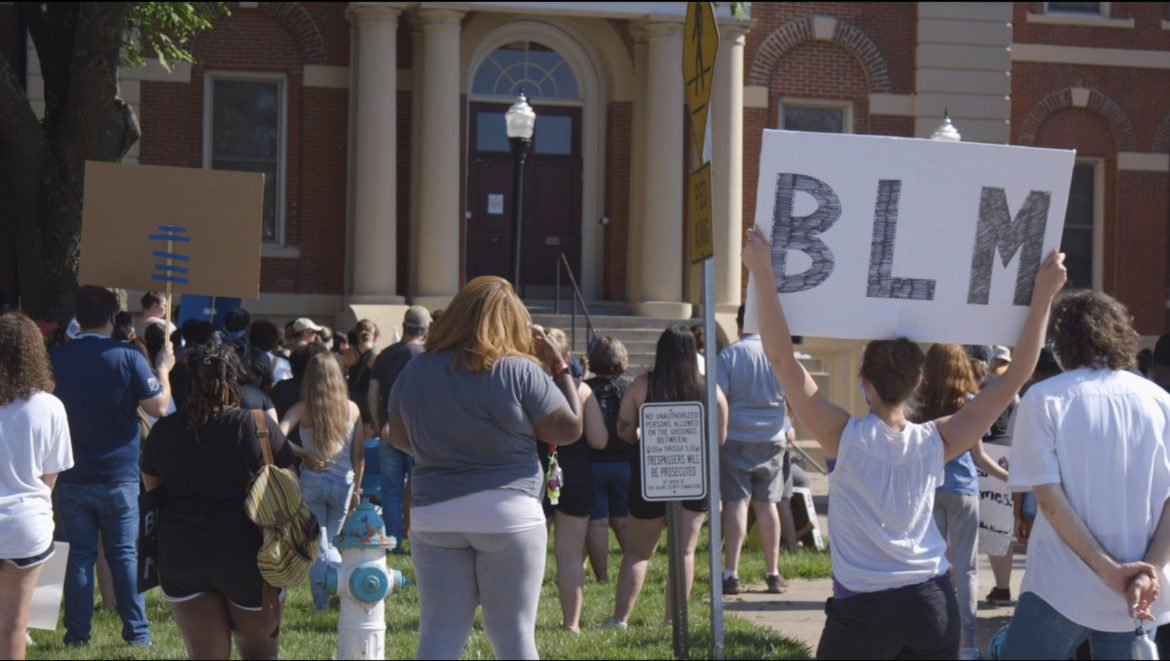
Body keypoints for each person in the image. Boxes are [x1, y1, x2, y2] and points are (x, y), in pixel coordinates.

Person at [741, 225, 1066, 659]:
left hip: (863, 612)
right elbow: (1018, 374)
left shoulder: (840, 436)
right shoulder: (940, 439)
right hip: (933, 605)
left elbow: (781, 358)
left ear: (863, 383)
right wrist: (1043, 294)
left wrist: (763, 273)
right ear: (918, 381)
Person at [383, 275, 585, 659]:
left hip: (433, 512)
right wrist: (558, 364)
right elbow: (571, 428)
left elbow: (395, 432)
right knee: (512, 634)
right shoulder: (520, 371)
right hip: (508, 511)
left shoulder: (415, 370)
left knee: (439, 633)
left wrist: (437, 450)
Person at [998, 290, 1170, 658]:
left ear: (1063, 341)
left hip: (1061, 585)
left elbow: (1048, 499)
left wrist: (1111, 571)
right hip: (1138, 592)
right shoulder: (1160, 401)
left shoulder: (1044, 398)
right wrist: (1148, 571)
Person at [140, 344, 298, 659]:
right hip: (251, 556)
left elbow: (151, 485)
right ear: (233, 380)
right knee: (259, 653)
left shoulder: (165, 430)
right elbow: (292, 486)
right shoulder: (259, 427)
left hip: (182, 554)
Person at [50, 285, 175, 647]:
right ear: (111, 318)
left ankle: (77, 635)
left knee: (79, 557)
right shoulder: (128, 356)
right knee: (123, 555)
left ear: (78, 317)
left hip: (70, 474)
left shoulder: (57, 357)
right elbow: (160, 408)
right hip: (119, 475)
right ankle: (137, 633)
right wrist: (163, 369)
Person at [605, 325, 728, 628]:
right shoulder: (709, 389)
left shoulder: (640, 385)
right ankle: (674, 620)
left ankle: (620, 619)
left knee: (637, 552)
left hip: (651, 478)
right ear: (692, 353)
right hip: (693, 478)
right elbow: (720, 438)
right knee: (684, 552)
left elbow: (623, 431)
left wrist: (638, 434)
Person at [912, 343, 1010, 660]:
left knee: (933, 568)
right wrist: (1011, 478)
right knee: (966, 569)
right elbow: (979, 457)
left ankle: (934, 637)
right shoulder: (970, 403)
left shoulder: (917, 404)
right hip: (964, 489)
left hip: (928, 489)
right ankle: (967, 643)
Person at [0, 313, 74, 660]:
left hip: (24, 523)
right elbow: (51, 477)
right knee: (14, 627)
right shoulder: (50, 407)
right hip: (27, 525)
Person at [279, 352, 364, 611]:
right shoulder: (352, 409)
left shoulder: (302, 409)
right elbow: (359, 456)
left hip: (313, 482)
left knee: (318, 546)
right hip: (344, 483)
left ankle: (324, 603)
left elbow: (277, 436)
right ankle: (340, 591)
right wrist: (357, 490)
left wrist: (304, 454)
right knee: (332, 540)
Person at [719, 303, 791, 596]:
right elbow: (793, 395)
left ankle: (731, 572)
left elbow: (718, 396)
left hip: (736, 436)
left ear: (739, 325)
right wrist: (788, 426)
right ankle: (772, 572)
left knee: (736, 503)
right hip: (773, 438)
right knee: (768, 504)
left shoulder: (729, 355)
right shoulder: (780, 356)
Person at [537, 328, 606, 633]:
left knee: (528, 553)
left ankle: (520, 620)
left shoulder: (529, 386)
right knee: (569, 554)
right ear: (565, 356)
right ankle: (572, 624)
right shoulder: (583, 390)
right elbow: (600, 440)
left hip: (535, 475)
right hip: (574, 474)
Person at [369, 305, 431, 554]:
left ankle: (393, 540)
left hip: (388, 431)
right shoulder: (429, 357)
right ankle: (418, 540)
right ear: (425, 331)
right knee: (419, 490)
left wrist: (376, 422)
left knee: (391, 490)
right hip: (420, 433)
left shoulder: (385, 354)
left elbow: (373, 394)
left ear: (404, 327)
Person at [584, 336, 634, 583]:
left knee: (597, 524)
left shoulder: (585, 388)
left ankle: (602, 577)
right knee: (624, 523)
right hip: (625, 462)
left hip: (592, 464)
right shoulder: (630, 386)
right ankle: (635, 568)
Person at [341, 319, 379, 439]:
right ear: (373, 334)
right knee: (368, 435)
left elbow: (339, 374)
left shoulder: (348, 353)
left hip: (352, 396)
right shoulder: (376, 355)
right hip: (370, 396)